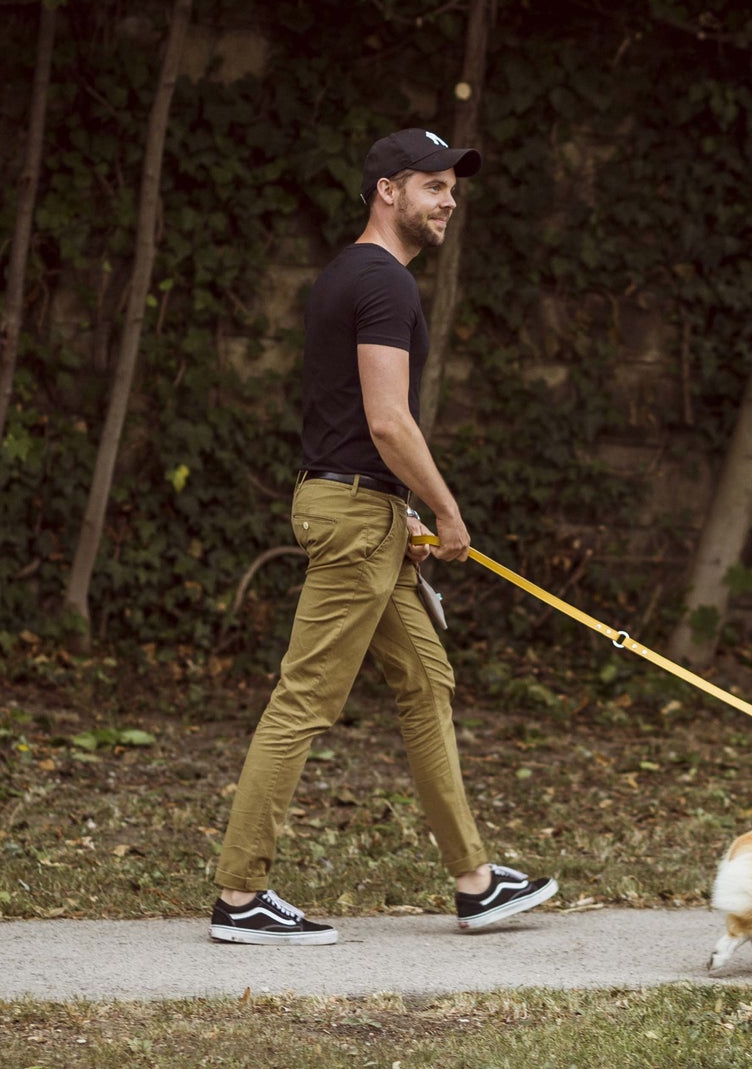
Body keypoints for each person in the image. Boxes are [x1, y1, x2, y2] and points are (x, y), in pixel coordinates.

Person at [209, 127, 556, 944]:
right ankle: (238, 894)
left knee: (425, 680)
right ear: (387, 190)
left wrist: (394, 503)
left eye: (452, 189)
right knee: (303, 701)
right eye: (434, 186)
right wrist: (446, 510)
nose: (449, 202)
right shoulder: (384, 284)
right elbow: (388, 421)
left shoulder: (345, 275)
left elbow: (347, 420)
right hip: (358, 518)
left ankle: (474, 880)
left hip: (362, 510)